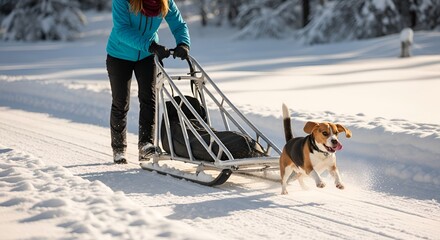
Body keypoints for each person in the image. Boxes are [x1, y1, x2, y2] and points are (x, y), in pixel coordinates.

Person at [106, 0, 190, 164]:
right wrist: (150, 45)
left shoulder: (164, 2)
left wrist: (183, 43)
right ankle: (119, 149)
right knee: (120, 101)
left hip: (147, 56)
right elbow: (122, 30)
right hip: (119, 55)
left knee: (149, 99)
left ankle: (146, 144)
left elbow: (178, 24)